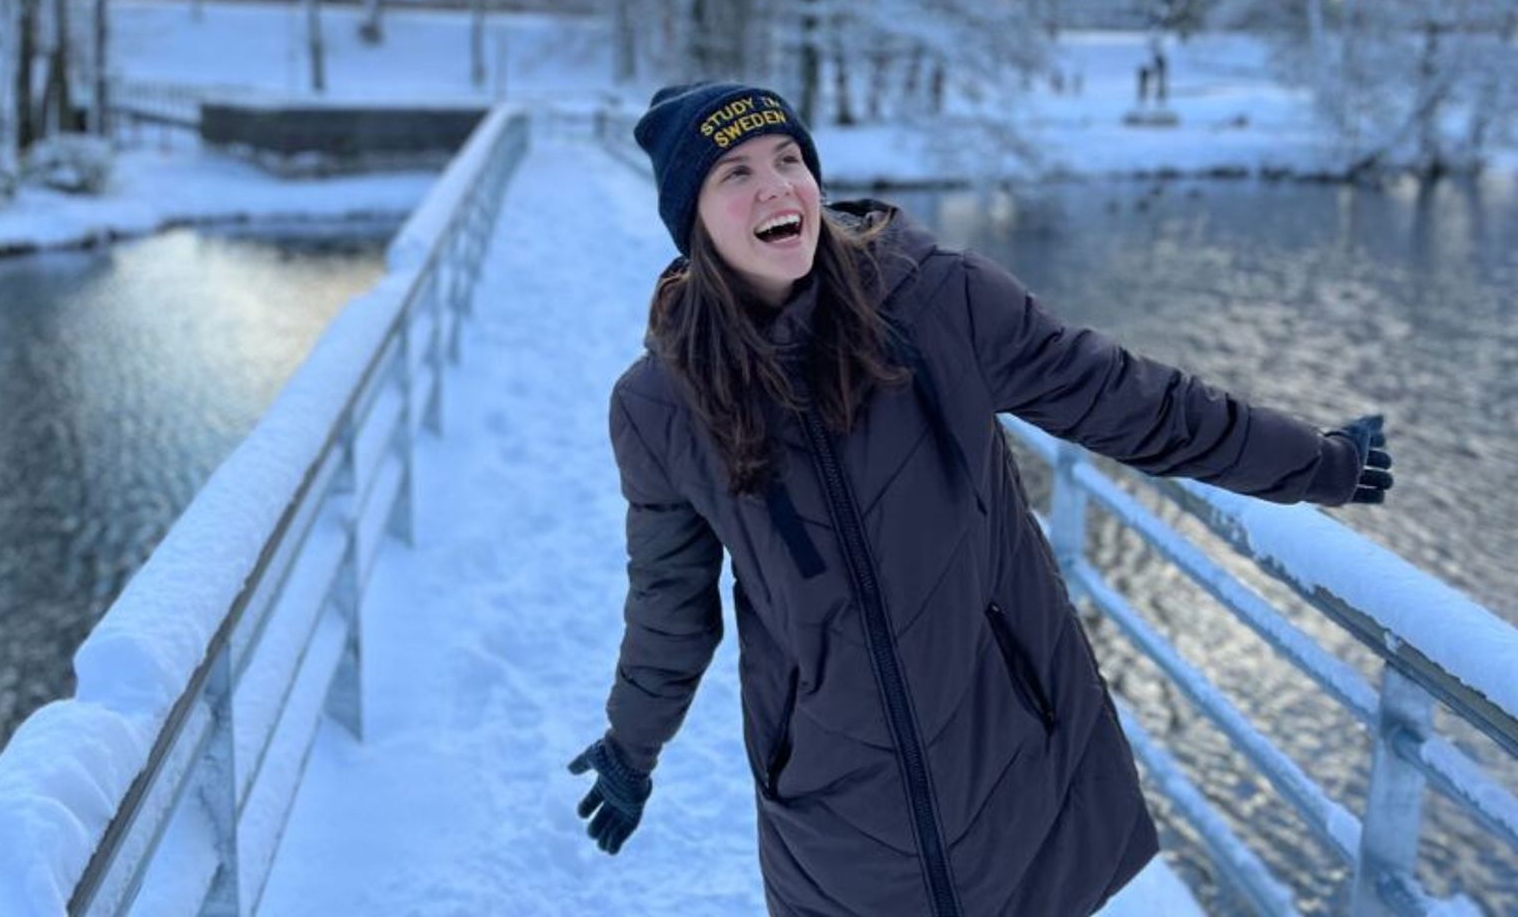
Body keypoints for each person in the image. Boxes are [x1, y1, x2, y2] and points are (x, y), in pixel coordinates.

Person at [567, 82, 1392, 917]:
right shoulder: (661, 406)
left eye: (789, 159)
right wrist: (632, 748)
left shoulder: (939, 302)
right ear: (694, 221)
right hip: (831, 808)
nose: (778, 187)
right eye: (735, 174)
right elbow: (670, 606)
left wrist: (1315, 464)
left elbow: (1135, 403)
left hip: (1011, 762)